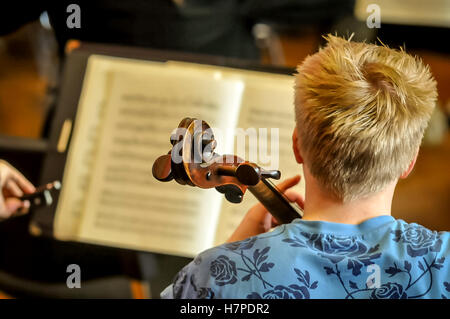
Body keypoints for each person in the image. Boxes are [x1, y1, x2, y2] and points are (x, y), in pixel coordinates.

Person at [160, 35, 449, 299]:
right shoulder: (444, 263)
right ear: (409, 162)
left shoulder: (213, 278)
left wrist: (234, 249)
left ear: (297, 145)